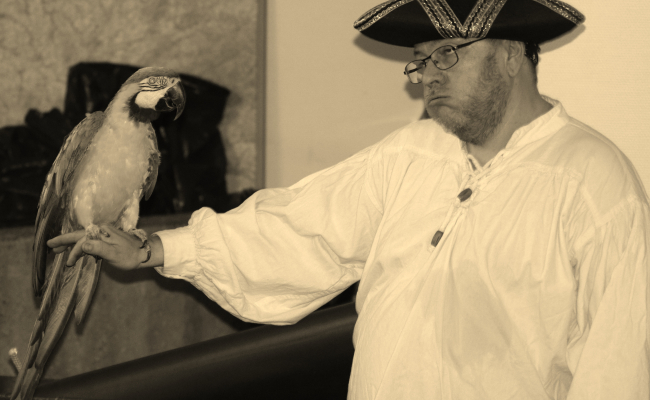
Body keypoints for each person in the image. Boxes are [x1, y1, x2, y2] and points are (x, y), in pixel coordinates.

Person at [49, 0, 649, 399]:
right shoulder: (412, 154)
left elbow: (616, 367)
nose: (428, 75)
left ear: (512, 53)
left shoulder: (594, 185)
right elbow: (298, 231)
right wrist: (153, 249)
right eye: (420, 61)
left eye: (447, 53)